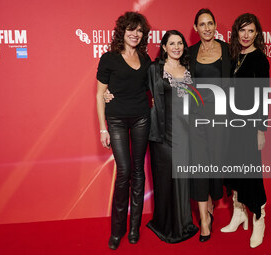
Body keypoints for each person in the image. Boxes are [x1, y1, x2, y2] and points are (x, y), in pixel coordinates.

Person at [96, 11, 151, 250]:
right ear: (122, 31)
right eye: (131, 29)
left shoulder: (146, 59)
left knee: (138, 171)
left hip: (141, 118)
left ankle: (134, 228)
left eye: (139, 30)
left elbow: (154, 88)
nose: (135, 34)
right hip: (116, 119)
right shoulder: (109, 58)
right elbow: (100, 94)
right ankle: (117, 230)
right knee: (125, 171)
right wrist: (102, 129)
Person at [221, 13, 268, 248]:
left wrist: (261, 129)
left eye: (250, 31)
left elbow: (263, 96)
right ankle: (239, 214)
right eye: (242, 30)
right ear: (236, 33)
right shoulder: (233, 56)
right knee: (233, 169)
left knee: (251, 172)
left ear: (256, 33)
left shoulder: (260, 59)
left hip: (250, 126)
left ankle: (259, 219)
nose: (246, 35)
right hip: (231, 124)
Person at [146, 30, 199, 243]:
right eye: (172, 43)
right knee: (165, 179)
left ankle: (184, 223)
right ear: (164, 47)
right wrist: (108, 93)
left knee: (182, 179)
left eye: (180, 43)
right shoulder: (154, 69)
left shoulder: (188, 69)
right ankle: (165, 225)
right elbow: (135, 87)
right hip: (162, 133)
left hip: (185, 132)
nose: (176, 47)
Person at [188, 8, 231, 242]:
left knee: (216, 165)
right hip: (196, 120)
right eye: (202, 24)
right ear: (195, 28)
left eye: (210, 23)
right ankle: (204, 220)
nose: (206, 28)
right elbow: (166, 71)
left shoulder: (227, 50)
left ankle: (213, 205)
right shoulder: (189, 52)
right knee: (199, 166)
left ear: (215, 26)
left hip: (221, 120)